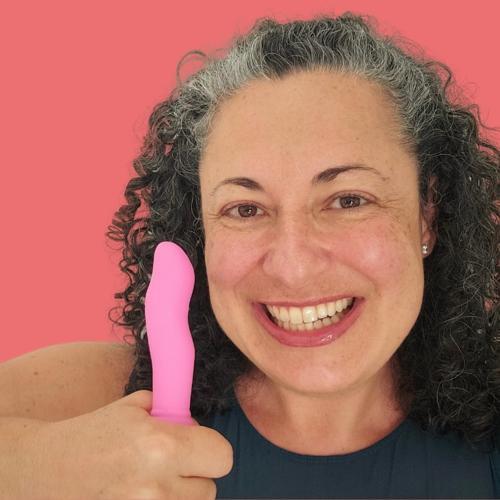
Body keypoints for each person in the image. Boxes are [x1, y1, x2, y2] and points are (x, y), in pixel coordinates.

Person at [1, 11, 498, 499]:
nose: (294, 265)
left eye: (348, 200)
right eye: (245, 209)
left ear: (427, 212)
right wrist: (40, 466)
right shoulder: (112, 401)